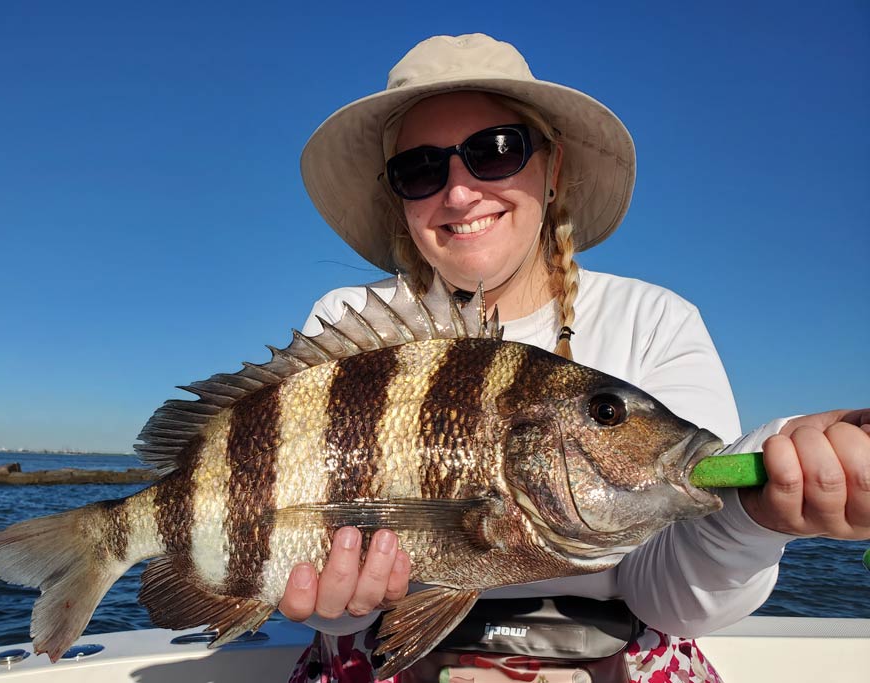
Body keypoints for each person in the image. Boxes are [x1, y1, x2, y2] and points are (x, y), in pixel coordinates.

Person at [276, 34, 870, 682]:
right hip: (389, 644)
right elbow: (298, 553)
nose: (459, 190)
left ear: (551, 167)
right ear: (400, 198)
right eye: (420, 168)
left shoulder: (654, 322)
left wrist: (750, 517)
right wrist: (333, 606)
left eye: (494, 151)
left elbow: (668, 596)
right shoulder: (349, 326)